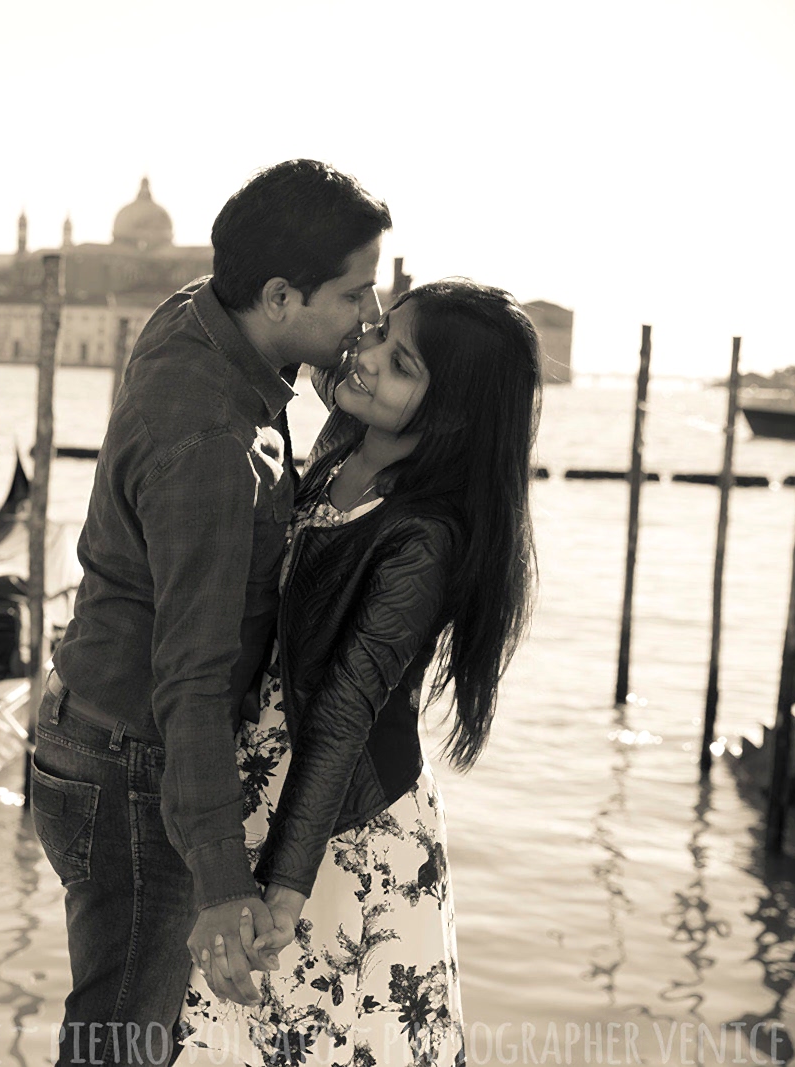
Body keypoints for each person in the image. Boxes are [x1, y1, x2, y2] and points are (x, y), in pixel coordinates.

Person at [29, 159, 391, 1066]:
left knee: (115, 1031)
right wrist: (226, 888)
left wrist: (310, 367)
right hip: (132, 767)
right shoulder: (211, 447)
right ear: (278, 294)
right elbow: (189, 681)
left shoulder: (195, 318)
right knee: (121, 1047)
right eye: (354, 296)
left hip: (86, 734)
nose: (372, 319)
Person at [177, 279, 544, 1065]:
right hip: (262, 784)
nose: (369, 358)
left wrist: (284, 883)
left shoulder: (424, 538)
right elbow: (299, 351)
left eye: (401, 363)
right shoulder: (347, 445)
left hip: (339, 832)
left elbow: (345, 711)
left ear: (452, 412)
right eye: (379, 332)